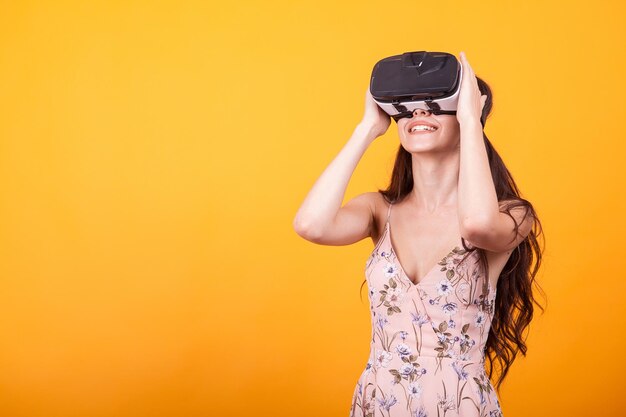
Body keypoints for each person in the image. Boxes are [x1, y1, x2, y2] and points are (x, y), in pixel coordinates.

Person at [293, 51, 545, 417]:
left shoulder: (513, 214)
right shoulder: (380, 210)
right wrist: (366, 128)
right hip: (379, 403)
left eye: (434, 105)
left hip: (460, 406)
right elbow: (310, 226)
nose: (419, 113)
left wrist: (471, 121)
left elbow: (476, 224)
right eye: (408, 108)